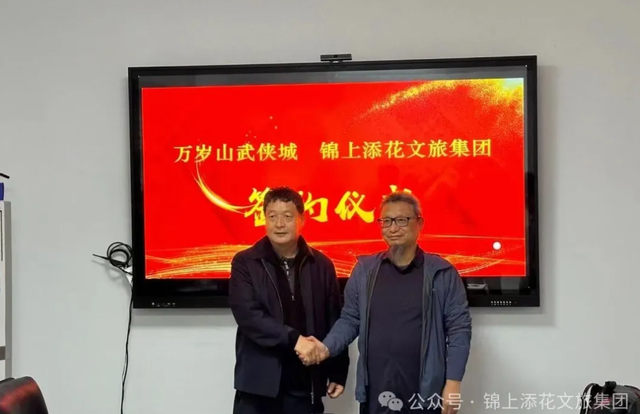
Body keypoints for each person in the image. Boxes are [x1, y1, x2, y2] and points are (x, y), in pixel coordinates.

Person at [297, 192, 472, 414]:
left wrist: (453, 382)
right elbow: (350, 319)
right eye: (386, 221)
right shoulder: (365, 270)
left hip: (425, 392)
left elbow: (459, 330)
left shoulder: (442, 273)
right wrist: (325, 348)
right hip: (376, 391)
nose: (393, 228)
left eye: (402, 220)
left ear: (419, 223)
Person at [228, 186, 350, 414]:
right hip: (258, 387)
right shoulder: (245, 262)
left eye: (287, 216)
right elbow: (248, 315)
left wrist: (338, 371)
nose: (279, 224)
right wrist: (295, 340)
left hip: (305, 384)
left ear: (301, 219)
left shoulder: (322, 265)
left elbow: (334, 319)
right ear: (264, 219)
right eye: (272, 216)